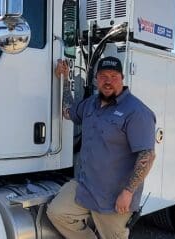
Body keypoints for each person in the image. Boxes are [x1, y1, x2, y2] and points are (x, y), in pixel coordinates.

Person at [47, 56, 156, 239]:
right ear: (96, 78)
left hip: (114, 198)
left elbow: (147, 155)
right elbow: (68, 111)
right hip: (86, 187)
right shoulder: (91, 104)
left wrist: (128, 192)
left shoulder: (136, 111)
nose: (108, 81)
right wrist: (64, 79)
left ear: (122, 78)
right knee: (57, 212)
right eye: (103, 75)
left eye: (114, 76)